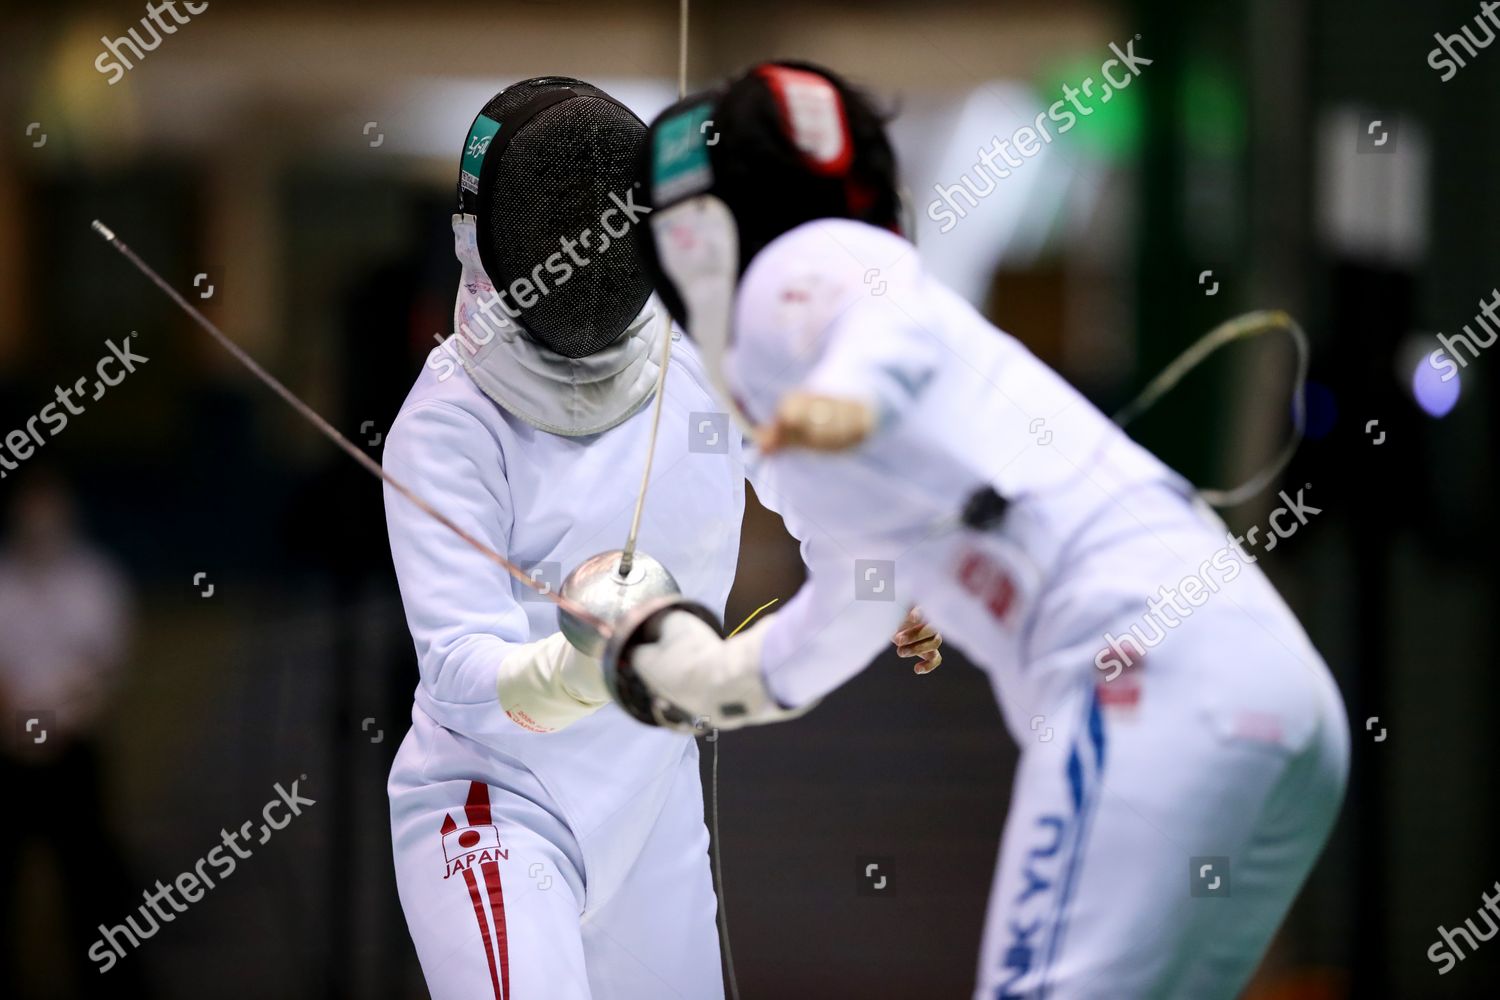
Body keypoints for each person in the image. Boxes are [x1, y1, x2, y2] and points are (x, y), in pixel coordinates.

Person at [620, 62, 1350, 999]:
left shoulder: (800, 291)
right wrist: (701, 675)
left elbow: (868, 320)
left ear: (697, 238)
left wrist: (847, 399)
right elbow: (851, 600)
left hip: (1139, 676)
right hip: (1275, 699)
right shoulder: (861, 404)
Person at [383, 76, 939, 1000]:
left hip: (653, 804)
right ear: (490, 240)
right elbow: (458, 668)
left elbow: (813, 499)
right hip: (497, 811)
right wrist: (573, 669)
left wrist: (883, 588)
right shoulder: (448, 424)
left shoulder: (697, 368)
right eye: (552, 216)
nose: (582, 250)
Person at [0, 470, 141, 996]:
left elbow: (100, 668)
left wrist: (54, 726)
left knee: (94, 885)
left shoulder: (94, 580)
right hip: (10, 753)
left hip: (72, 753)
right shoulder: (6, 581)